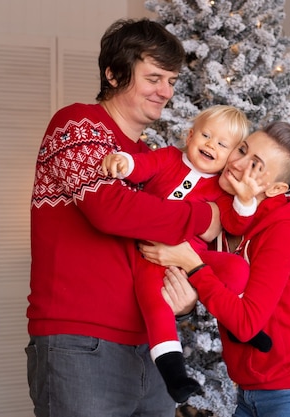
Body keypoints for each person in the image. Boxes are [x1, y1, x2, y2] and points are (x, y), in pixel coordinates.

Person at [26, 18, 222, 417]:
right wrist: (205, 216)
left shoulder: (150, 157)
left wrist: (185, 296)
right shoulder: (77, 125)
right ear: (114, 74)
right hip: (80, 344)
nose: (165, 91)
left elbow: (163, 242)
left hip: (152, 346)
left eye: (171, 80)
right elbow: (112, 211)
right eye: (154, 77)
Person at [139, 121, 290, 417]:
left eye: (255, 165)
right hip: (249, 391)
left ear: (277, 188)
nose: (236, 163)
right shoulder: (227, 213)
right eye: (242, 149)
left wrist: (191, 263)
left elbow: (246, 322)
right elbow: (222, 288)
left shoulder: (281, 230)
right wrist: (188, 300)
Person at [101, 105, 273, 402]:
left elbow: (234, 222)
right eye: (205, 135)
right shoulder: (168, 157)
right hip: (151, 256)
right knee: (157, 303)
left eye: (222, 144)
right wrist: (124, 162)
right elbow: (142, 166)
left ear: (230, 156)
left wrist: (245, 200)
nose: (210, 145)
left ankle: (240, 328)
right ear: (190, 135)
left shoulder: (221, 188)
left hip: (193, 260)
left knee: (236, 269)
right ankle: (174, 374)